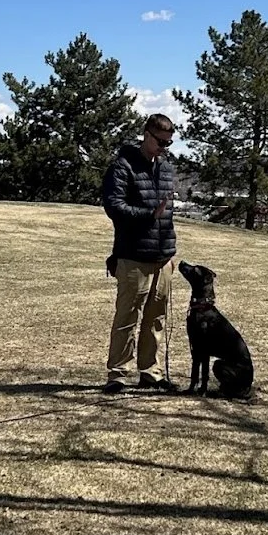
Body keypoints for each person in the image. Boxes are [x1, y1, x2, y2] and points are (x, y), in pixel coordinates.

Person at [101, 113, 179, 394]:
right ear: (146, 134)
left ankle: (151, 372)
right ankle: (118, 375)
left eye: (168, 143)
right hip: (133, 255)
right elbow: (114, 206)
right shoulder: (122, 167)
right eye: (160, 142)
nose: (164, 148)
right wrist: (148, 215)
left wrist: (169, 251)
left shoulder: (167, 169)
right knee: (127, 318)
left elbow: (167, 216)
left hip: (163, 257)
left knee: (156, 319)